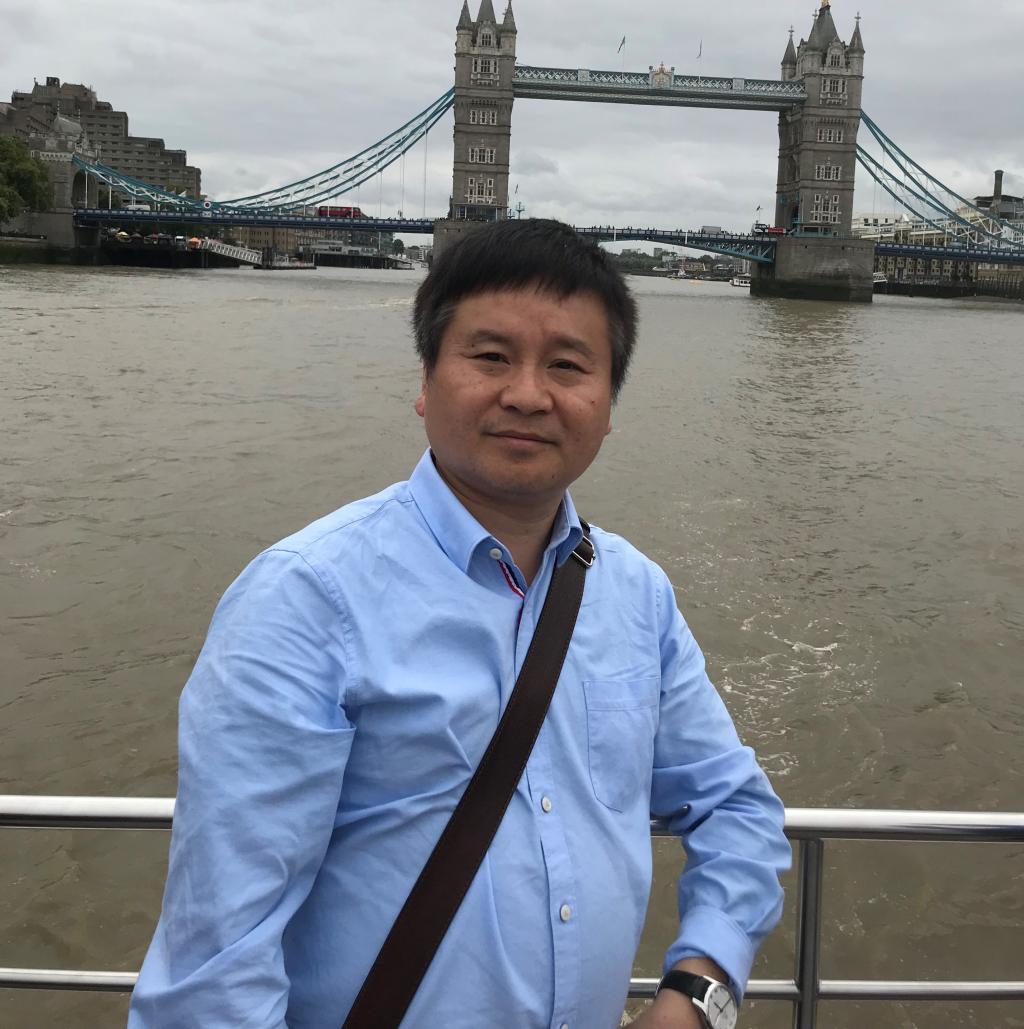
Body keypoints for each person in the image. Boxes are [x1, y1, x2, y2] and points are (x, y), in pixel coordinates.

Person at [129, 218, 790, 1029]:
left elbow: (736, 809)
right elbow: (218, 962)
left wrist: (696, 993)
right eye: (491, 356)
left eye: (568, 365)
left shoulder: (637, 594)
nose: (528, 394)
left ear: (609, 405)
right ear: (425, 379)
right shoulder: (305, 598)